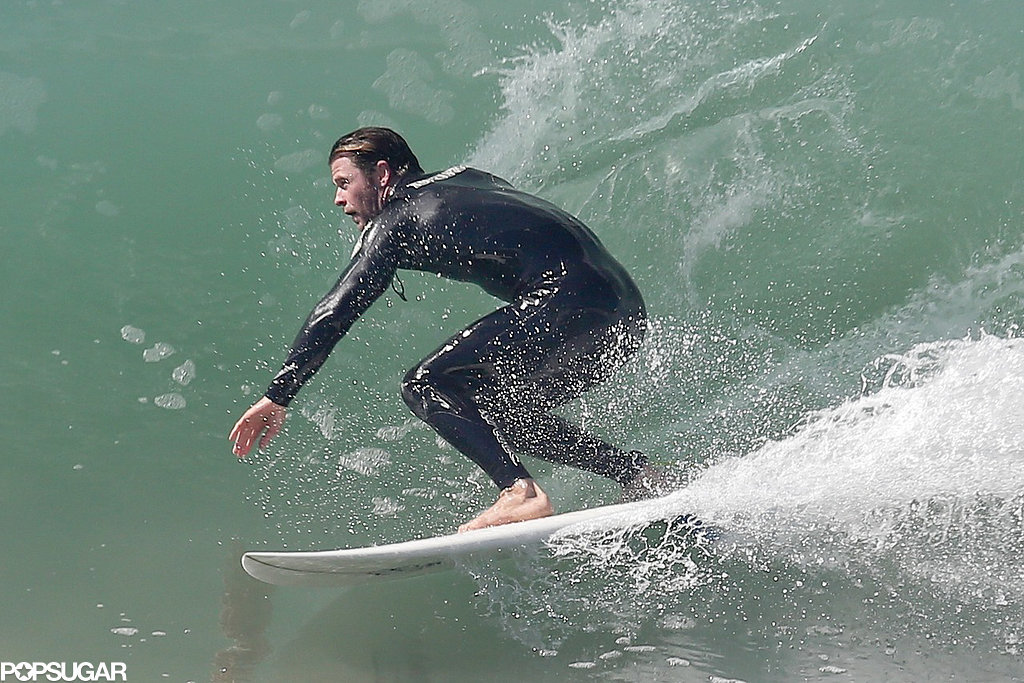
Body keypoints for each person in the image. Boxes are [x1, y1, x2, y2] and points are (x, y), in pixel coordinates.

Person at [230, 127, 659, 532]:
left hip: (566, 301)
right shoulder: (468, 178)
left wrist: (277, 396)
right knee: (497, 412)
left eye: (344, 183)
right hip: (622, 308)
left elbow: (336, 310)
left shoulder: (396, 217)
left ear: (382, 174)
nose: (339, 199)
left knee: (425, 383)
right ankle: (638, 474)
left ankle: (520, 492)